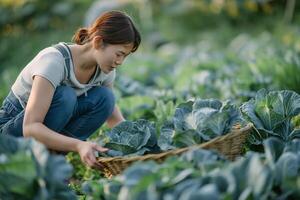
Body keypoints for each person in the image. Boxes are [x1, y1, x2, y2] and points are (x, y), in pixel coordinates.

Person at [0, 11, 141, 169]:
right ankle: (38, 163)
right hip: (11, 132)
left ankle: (51, 162)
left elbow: (114, 119)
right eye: (119, 54)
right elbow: (30, 128)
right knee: (65, 96)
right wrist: (79, 145)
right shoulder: (54, 62)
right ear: (98, 42)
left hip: (45, 127)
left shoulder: (105, 70)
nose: (120, 61)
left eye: (125, 56)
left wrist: (141, 146)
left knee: (106, 98)